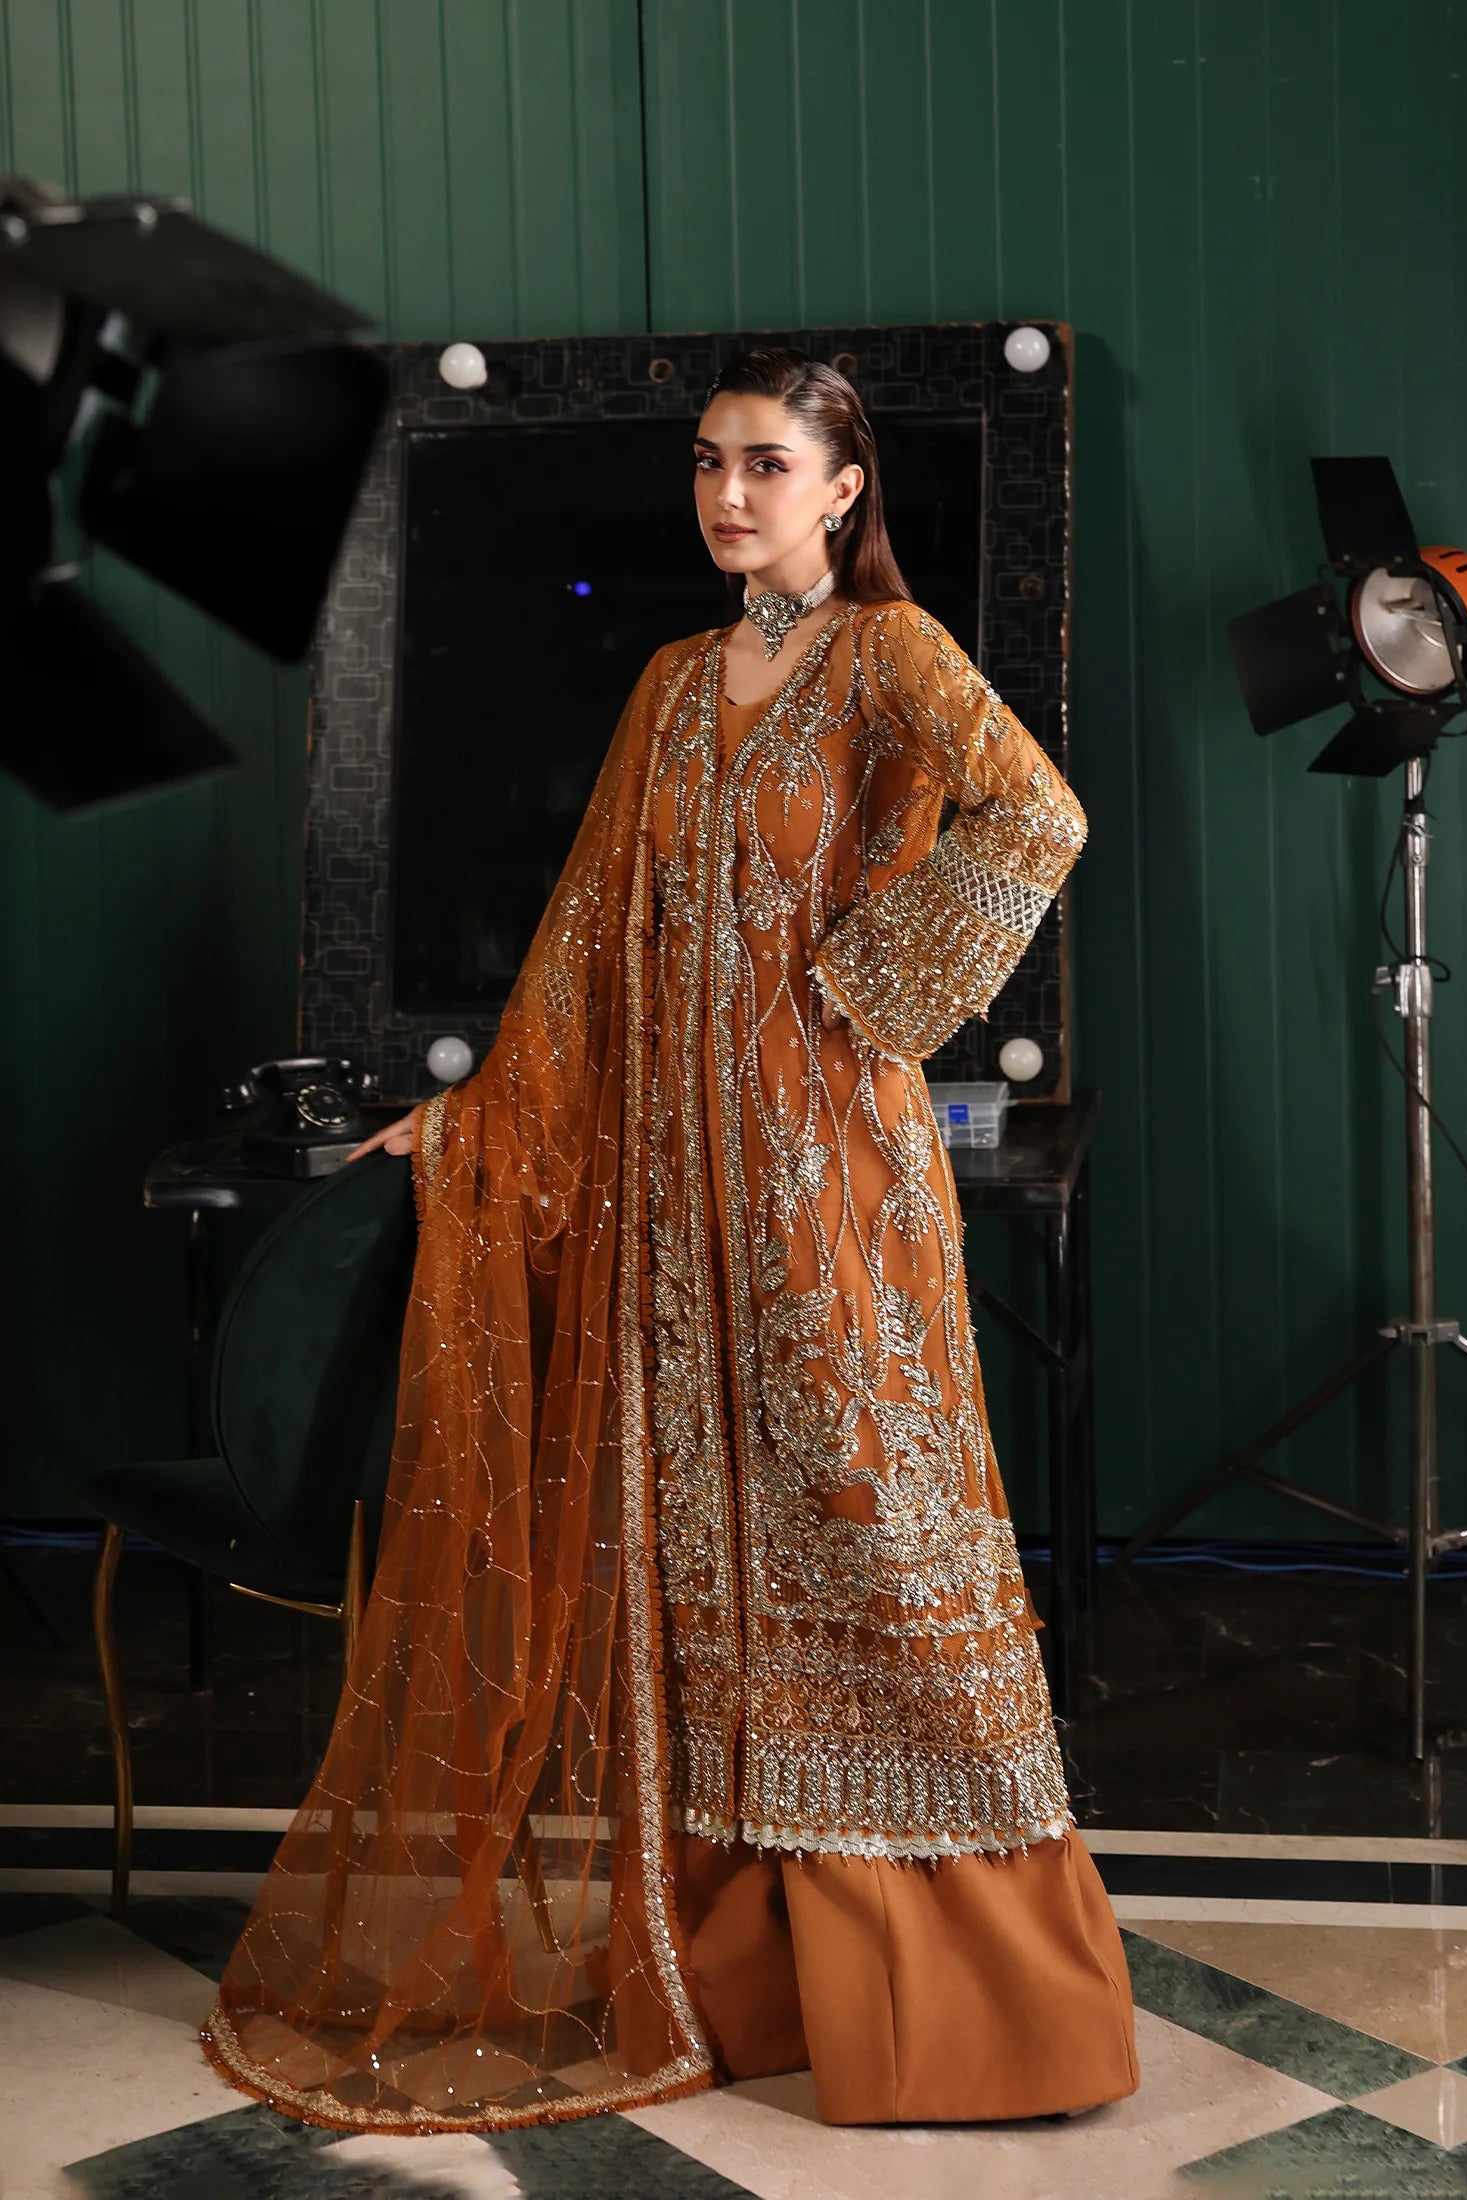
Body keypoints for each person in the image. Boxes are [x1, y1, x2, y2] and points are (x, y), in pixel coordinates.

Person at [201, 346, 1139, 2133]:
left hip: (835, 1184)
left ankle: (985, 2010)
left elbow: (1040, 814)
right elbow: (587, 935)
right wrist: (475, 1116)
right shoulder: (674, 683)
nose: (727, 494)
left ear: (843, 487)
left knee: (880, 1541)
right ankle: (755, 1982)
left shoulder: (891, 654)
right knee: (713, 1569)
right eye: (707, 463)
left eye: (765, 463)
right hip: (677, 1203)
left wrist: (872, 989)